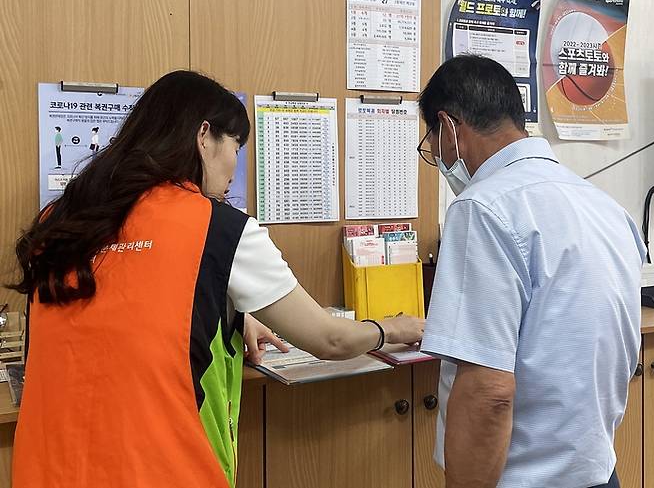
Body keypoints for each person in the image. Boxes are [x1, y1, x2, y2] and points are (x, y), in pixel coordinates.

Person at [9, 70, 424, 488]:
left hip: (47, 469)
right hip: (159, 471)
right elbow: (329, 339)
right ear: (204, 136)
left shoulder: (61, 221)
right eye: (236, 147)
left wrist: (231, 314)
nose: (234, 168)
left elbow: (120, 313)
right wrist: (394, 328)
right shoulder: (218, 226)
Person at [416, 55, 644, 488]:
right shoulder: (605, 207)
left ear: (449, 128)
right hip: (599, 473)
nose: (438, 157)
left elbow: (489, 391)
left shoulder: (483, 206)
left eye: (433, 145)